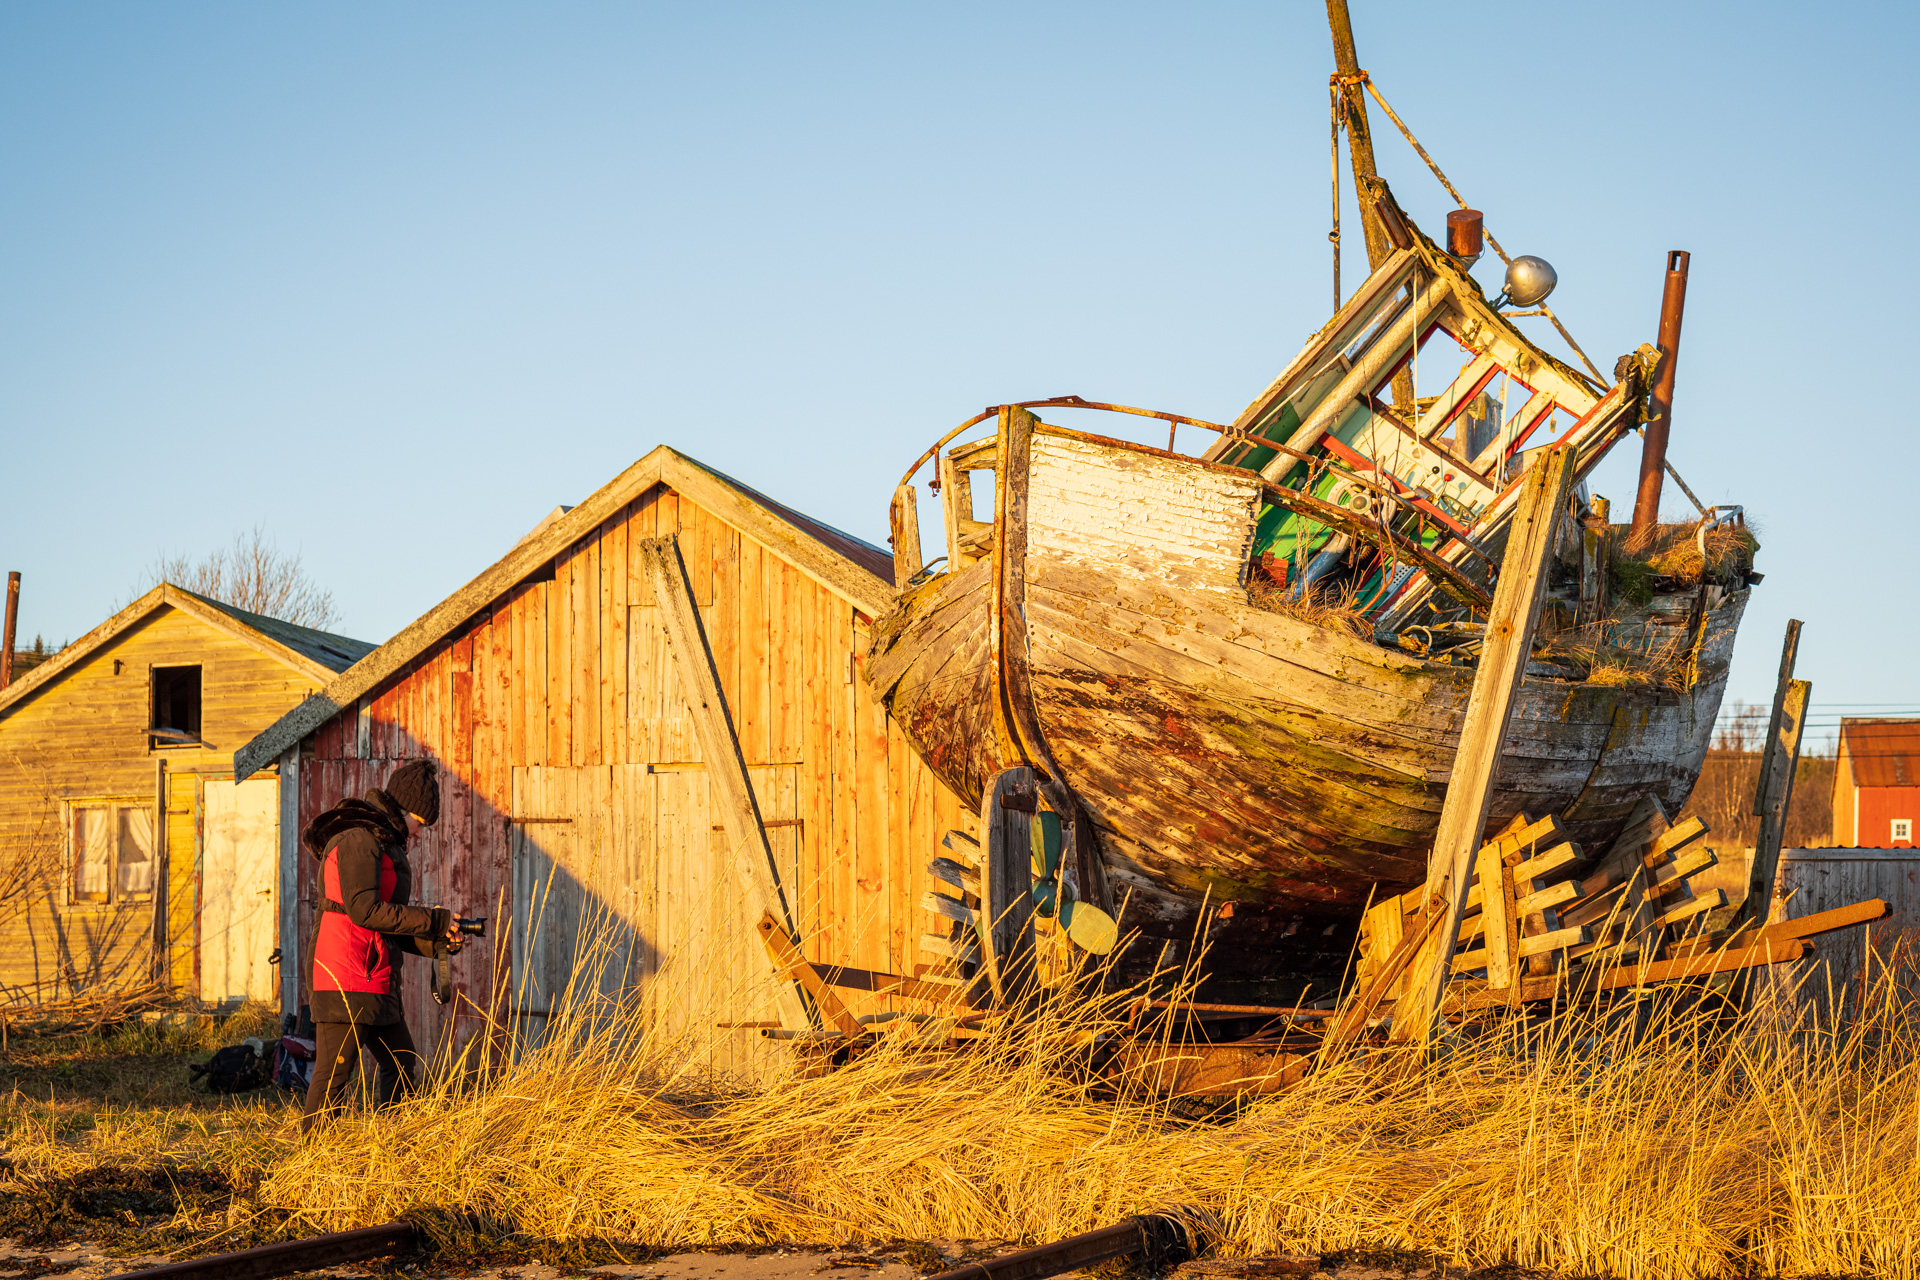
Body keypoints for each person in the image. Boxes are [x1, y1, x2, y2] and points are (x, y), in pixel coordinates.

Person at [299, 758, 462, 1131]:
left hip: (375, 977)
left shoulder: (385, 843)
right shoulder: (360, 839)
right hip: (342, 974)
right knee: (334, 1078)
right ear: (403, 810)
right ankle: (310, 1167)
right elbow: (363, 911)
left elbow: (389, 924)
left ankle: (388, 1146)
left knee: (401, 1065)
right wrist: (432, 919)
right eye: (420, 824)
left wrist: (438, 941)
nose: (420, 834)